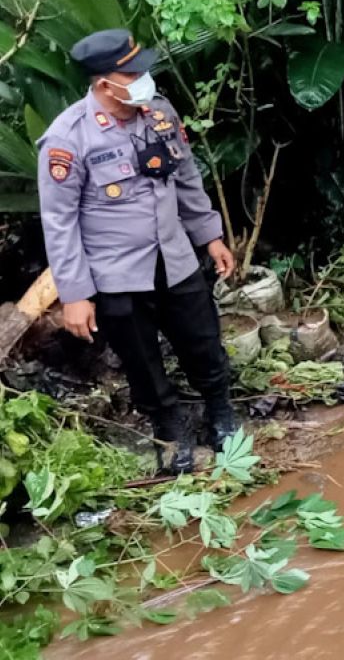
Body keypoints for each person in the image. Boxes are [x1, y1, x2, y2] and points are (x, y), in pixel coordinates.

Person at [36, 28, 237, 474]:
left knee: (203, 340)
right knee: (142, 360)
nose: (145, 77)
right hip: (116, 273)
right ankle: (170, 430)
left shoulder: (159, 113)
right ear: (104, 84)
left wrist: (211, 236)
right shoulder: (68, 139)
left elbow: (186, 178)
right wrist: (74, 294)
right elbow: (60, 223)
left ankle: (220, 413)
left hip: (175, 257)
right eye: (133, 72)